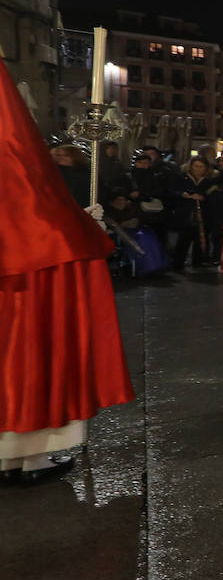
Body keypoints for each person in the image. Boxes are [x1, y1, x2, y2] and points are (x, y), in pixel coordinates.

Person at [1, 60, 133, 485]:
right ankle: (34, 455)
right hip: (30, 281)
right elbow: (42, 228)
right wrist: (84, 227)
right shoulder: (17, 167)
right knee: (34, 351)